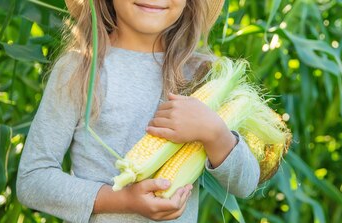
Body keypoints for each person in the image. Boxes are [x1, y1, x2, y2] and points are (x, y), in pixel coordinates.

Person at [16, 0, 260, 222]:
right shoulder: (79, 71)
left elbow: (246, 184)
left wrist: (214, 132)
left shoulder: (204, 74)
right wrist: (124, 201)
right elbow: (32, 179)